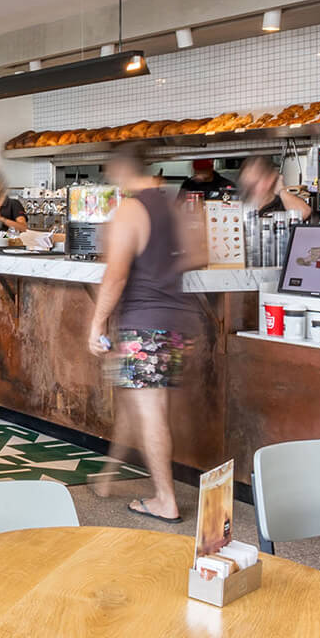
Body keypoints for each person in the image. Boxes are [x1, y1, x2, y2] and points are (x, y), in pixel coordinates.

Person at [87, 143, 205, 524]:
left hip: (144, 325)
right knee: (141, 404)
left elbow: (116, 274)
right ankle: (112, 478)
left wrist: (96, 323)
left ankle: (165, 499)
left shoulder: (131, 210)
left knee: (150, 412)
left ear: (121, 171)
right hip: (178, 322)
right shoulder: (172, 207)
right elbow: (199, 252)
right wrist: (162, 271)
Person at [237, 154, 313, 221]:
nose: (251, 189)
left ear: (270, 179)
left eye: (255, 183)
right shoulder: (243, 208)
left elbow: (304, 212)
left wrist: (281, 190)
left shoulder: (282, 205)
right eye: (248, 184)